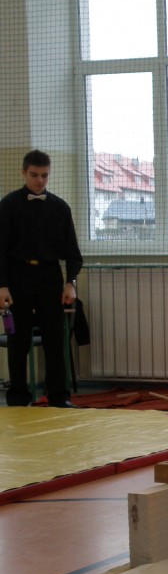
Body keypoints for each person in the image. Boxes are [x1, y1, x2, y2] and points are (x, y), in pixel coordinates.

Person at [0, 149, 82, 408]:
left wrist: (71, 282)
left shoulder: (60, 207)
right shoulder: (8, 205)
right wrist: (2, 286)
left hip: (49, 275)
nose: (39, 180)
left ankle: (59, 397)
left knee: (55, 339)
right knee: (18, 340)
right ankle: (17, 397)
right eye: (34, 175)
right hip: (18, 276)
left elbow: (73, 252)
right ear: (23, 172)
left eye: (44, 175)